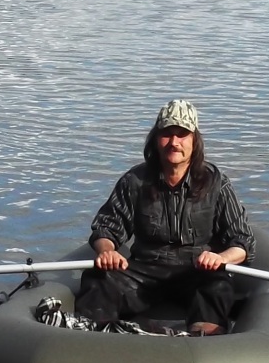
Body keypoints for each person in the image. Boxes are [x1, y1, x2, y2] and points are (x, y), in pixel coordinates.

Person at [76, 99, 254, 335]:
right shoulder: (134, 181)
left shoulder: (216, 183)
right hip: (144, 272)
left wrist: (220, 257)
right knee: (98, 279)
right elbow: (106, 229)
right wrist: (107, 250)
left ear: (194, 140)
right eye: (167, 134)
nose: (174, 142)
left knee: (218, 286)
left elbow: (243, 241)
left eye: (182, 135)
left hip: (196, 272)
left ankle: (204, 342)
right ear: (155, 139)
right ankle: (93, 339)